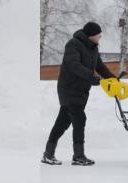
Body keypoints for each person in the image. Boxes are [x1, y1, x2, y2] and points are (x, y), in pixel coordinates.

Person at [42, 21, 116, 166]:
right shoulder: (73, 45)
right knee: (79, 118)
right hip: (68, 88)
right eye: (98, 35)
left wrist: (114, 79)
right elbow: (73, 65)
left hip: (81, 91)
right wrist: (90, 76)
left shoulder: (93, 48)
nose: (100, 37)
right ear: (90, 35)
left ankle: (48, 154)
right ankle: (78, 156)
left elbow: (100, 67)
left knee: (62, 122)